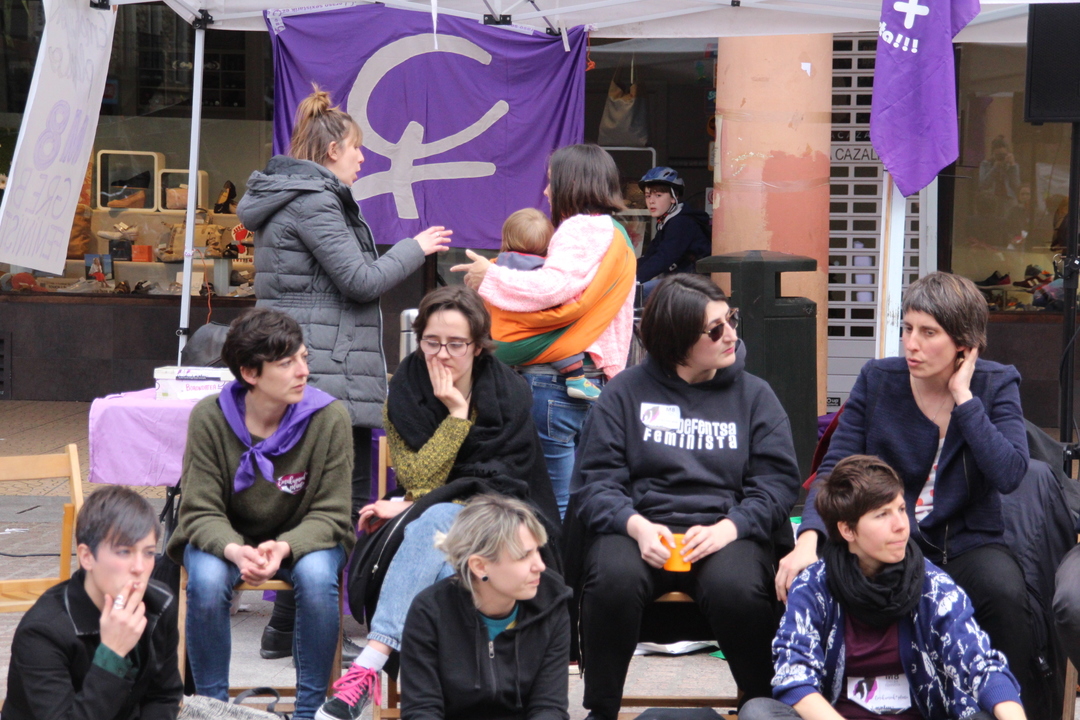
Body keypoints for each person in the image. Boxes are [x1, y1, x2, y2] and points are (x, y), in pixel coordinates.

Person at [236, 85, 451, 659]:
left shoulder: (295, 197)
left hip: (312, 368)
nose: (363, 158)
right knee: (339, 503)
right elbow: (360, 280)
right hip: (325, 372)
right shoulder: (315, 202)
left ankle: (287, 627)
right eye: (357, 148)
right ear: (333, 151)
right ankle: (318, 631)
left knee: (311, 500)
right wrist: (414, 248)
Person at [775, 271, 1037, 708]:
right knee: (807, 578)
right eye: (907, 328)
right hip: (889, 539)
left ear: (964, 343)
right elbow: (834, 471)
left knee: (1005, 593)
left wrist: (964, 399)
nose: (911, 344)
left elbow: (1009, 473)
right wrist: (808, 540)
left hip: (965, 542)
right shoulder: (879, 379)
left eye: (928, 333)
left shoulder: (995, 383)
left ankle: (1009, 707)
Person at [318, 285, 559, 720]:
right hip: (425, 521)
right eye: (431, 342)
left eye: (456, 344)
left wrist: (416, 506)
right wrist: (456, 417)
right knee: (449, 548)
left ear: (478, 346)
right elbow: (417, 479)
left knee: (443, 518)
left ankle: (370, 667)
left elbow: (505, 483)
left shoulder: (509, 394)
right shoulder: (405, 390)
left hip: (506, 515)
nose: (442, 355)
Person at [569, 273, 801, 719]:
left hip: (725, 529)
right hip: (639, 527)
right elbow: (595, 482)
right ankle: (602, 709)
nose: (730, 334)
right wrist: (636, 526)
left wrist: (730, 528)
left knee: (739, 589)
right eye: (714, 329)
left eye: (731, 319)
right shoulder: (624, 393)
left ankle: (761, 705)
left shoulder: (755, 396)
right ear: (677, 341)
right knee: (612, 581)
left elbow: (776, 484)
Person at [166, 308, 354, 720]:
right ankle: (212, 709)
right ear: (250, 373)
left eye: (303, 357)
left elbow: (333, 513)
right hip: (228, 540)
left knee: (317, 579)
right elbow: (198, 510)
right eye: (286, 363)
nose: (303, 371)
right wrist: (235, 550)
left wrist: (284, 547)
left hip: (305, 539)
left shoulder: (328, 417)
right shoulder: (210, 417)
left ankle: (310, 711)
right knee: (207, 580)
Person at [742, 455, 1024, 720]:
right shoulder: (814, 587)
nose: (901, 525)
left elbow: (981, 666)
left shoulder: (932, 585)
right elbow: (794, 676)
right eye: (882, 515)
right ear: (847, 530)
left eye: (901, 509)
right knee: (757, 712)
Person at [453, 144, 637, 518]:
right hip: (593, 377)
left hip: (551, 382)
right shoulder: (615, 233)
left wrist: (491, 276)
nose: (547, 191)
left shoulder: (579, 228)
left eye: (553, 181)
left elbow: (552, 288)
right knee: (591, 495)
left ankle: (555, 559)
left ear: (573, 183)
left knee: (553, 501)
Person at [4, 485, 183, 720]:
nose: (140, 567)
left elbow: (164, 697)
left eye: (149, 553)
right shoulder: (42, 632)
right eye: (124, 552)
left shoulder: (159, 603)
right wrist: (112, 655)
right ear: (87, 556)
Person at [399, 494, 572, 720]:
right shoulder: (429, 612)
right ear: (480, 566)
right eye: (524, 556)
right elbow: (421, 710)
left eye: (538, 550)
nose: (540, 565)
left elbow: (549, 707)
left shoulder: (552, 602)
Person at [489, 208, 603, 401]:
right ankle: (576, 379)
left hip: (502, 344)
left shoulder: (496, 265)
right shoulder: (544, 271)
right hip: (536, 343)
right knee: (563, 341)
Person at [635, 167, 711, 302]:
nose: (651, 201)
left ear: (673, 197)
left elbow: (663, 258)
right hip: (681, 280)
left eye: (658, 195)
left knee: (637, 293)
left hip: (694, 284)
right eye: (647, 196)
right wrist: (624, 272)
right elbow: (650, 256)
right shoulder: (668, 221)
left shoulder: (681, 222)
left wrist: (634, 280)